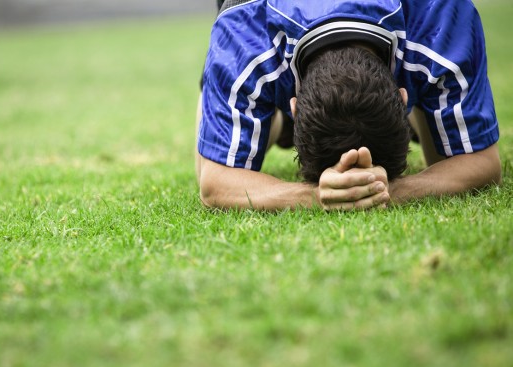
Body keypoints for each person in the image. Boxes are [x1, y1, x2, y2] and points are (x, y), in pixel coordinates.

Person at [196, 0, 501, 211]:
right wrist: (315, 195)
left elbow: (484, 163)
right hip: (264, 32)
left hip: (413, 50)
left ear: (404, 97)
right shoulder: (242, 32)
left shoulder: (442, 15)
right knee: (210, 153)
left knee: (445, 154)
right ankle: (269, 123)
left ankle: (429, 113)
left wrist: (391, 190)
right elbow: (212, 183)